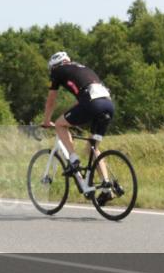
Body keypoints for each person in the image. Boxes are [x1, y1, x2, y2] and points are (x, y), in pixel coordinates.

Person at [41, 51, 115, 203]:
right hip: (108, 105)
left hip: (92, 104)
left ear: (54, 66)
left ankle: (74, 160)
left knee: (60, 124)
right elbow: (82, 100)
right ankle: (106, 188)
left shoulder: (57, 71)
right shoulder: (83, 68)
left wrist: (47, 121)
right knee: (92, 148)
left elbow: (51, 101)